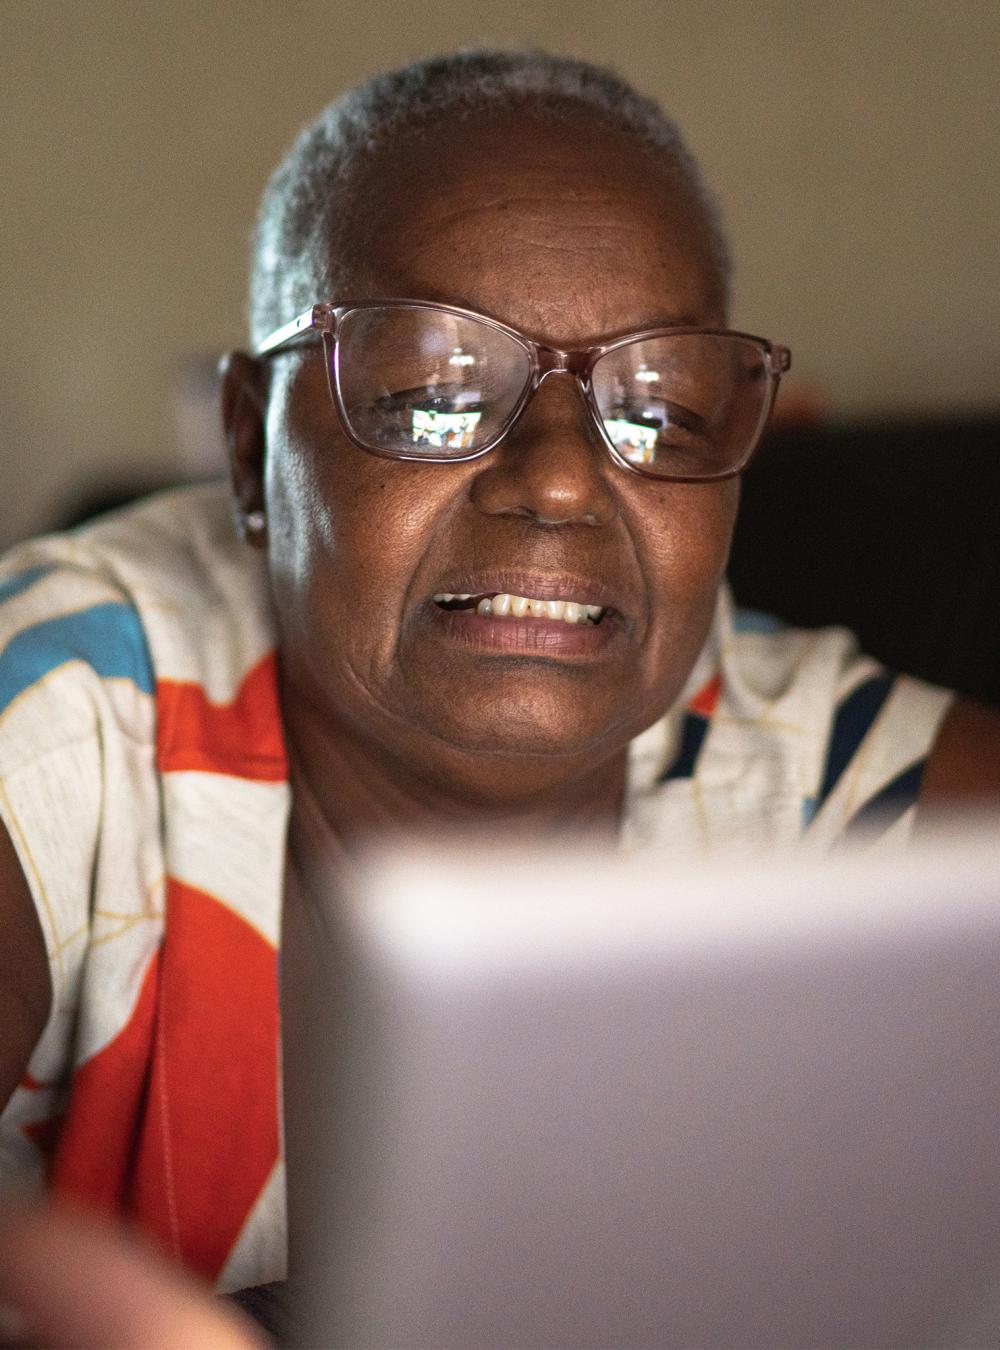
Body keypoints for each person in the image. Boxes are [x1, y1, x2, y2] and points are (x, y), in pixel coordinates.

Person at [1, 46, 998, 1311]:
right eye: (430, 394)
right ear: (251, 452)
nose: (564, 478)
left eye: (661, 410)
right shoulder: (73, 694)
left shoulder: (831, 784)